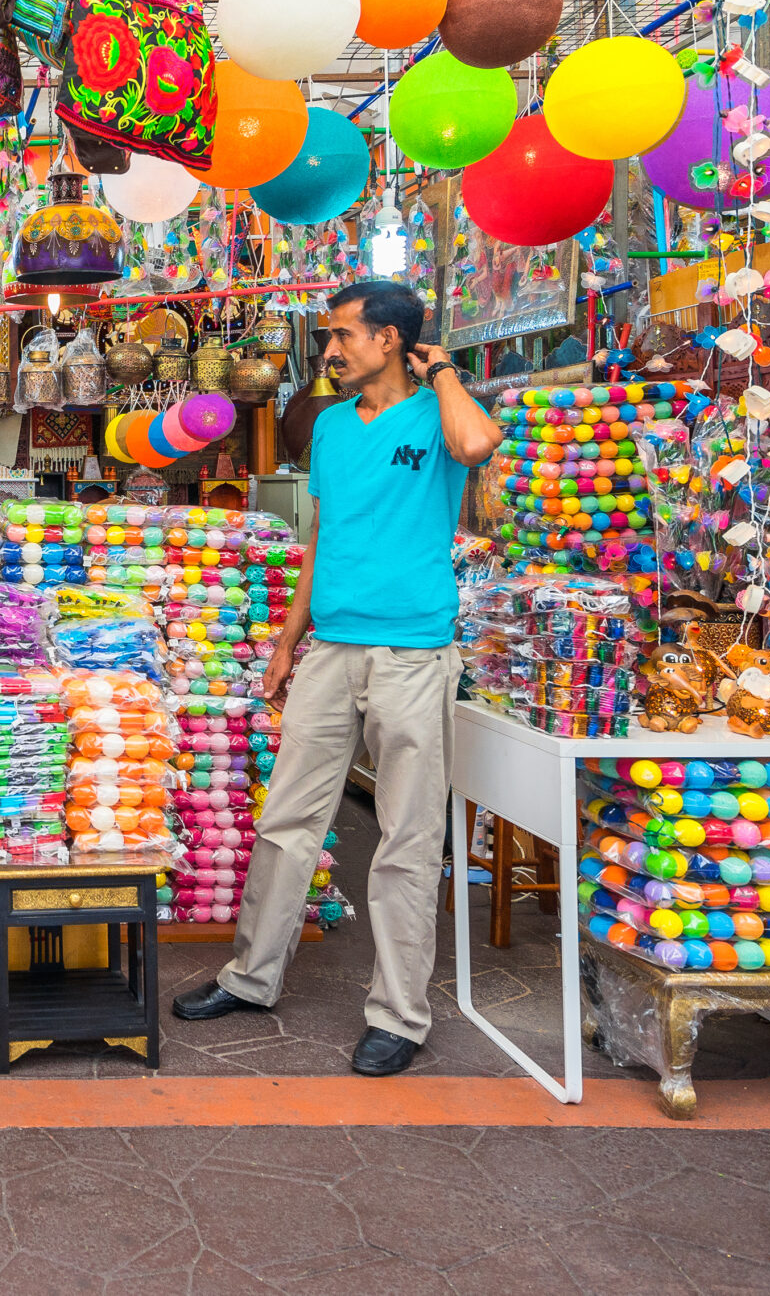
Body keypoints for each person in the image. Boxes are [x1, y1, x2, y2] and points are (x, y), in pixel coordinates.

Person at [173, 280, 503, 1076]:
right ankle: (251, 976)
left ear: (389, 340)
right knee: (288, 818)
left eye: (345, 336)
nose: (328, 350)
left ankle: (399, 1014)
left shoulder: (438, 414)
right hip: (331, 649)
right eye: (329, 336)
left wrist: (446, 373)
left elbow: (477, 446)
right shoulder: (327, 429)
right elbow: (318, 537)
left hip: (414, 653)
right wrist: (289, 641)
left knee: (407, 837)